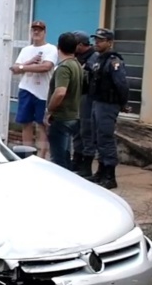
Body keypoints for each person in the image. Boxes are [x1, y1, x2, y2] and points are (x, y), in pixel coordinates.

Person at [87, 28, 130, 189]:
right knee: (97, 138)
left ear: (110, 42)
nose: (97, 42)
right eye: (96, 40)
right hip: (97, 102)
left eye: (101, 40)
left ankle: (110, 176)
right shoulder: (98, 59)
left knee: (106, 139)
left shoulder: (113, 61)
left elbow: (122, 84)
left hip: (108, 104)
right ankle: (100, 172)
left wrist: (123, 103)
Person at [11, 20, 59, 159]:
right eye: (34, 30)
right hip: (26, 88)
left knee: (42, 124)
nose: (36, 32)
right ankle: (27, 154)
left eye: (39, 30)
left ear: (45, 32)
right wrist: (29, 63)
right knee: (26, 123)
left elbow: (46, 67)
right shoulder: (26, 50)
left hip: (43, 92)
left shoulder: (51, 49)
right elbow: (14, 68)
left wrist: (22, 67)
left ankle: (41, 155)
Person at [44, 32, 83, 170]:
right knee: (65, 155)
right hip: (73, 116)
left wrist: (50, 110)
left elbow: (60, 92)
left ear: (58, 46)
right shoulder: (77, 65)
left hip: (62, 117)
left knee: (58, 159)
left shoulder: (64, 67)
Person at [71, 31, 98, 175]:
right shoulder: (77, 56)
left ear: (81, 45)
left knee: (87, 130)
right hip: (78, 96)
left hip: (88, 97)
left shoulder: (94, 57)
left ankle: (86, 165)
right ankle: (76, 159)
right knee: (77, 130)